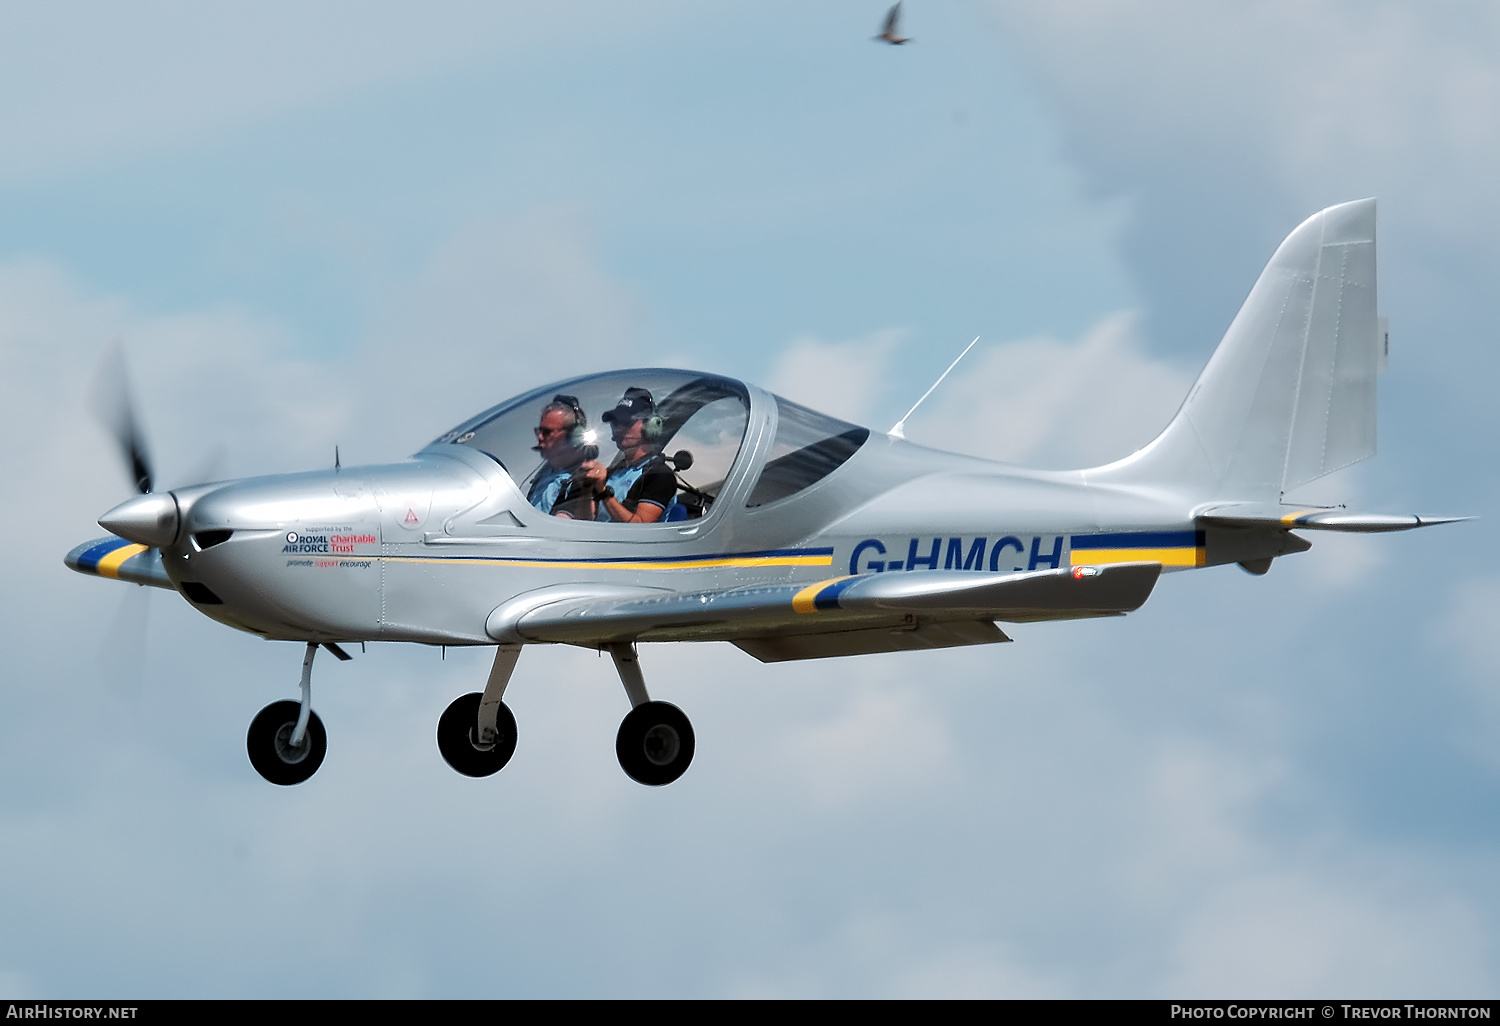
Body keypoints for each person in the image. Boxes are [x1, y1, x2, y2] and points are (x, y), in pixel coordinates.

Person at [583, 387, 677, 524]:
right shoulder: (612, 473)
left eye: (627, 421)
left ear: (649, 426)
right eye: (615, 422)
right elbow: (586, 521)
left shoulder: (660, 475)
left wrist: (603, 492)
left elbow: (639, 529)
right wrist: (584, 488)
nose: (618, 428)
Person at [526, 395, 596, 519]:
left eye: (546, 432)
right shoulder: (543, 474)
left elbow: (563, 526)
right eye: (539, 431)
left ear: (572, 436)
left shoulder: (584, 479)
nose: (540, 437)